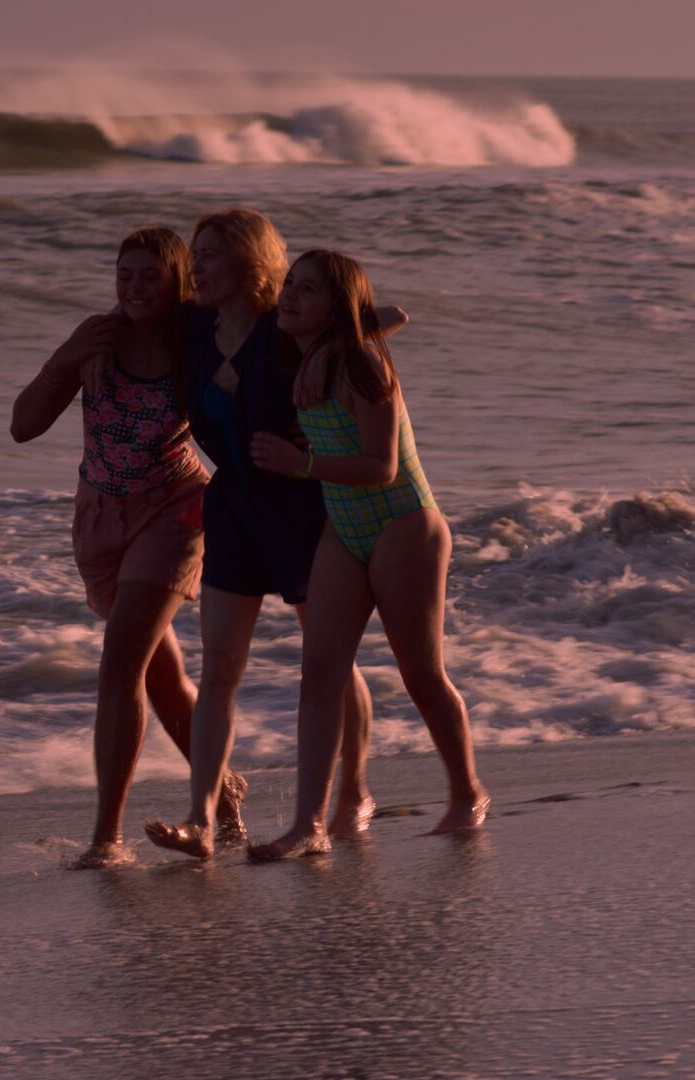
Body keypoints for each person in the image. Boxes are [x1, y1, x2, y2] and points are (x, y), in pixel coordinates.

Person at [144, 210, 409, 860]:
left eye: (211, 255)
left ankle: (354, 790)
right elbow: (130, 323)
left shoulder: (284, 330)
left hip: (303, 512)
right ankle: (202, 820)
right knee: (219, 669)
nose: (197, 268)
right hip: (232, 511)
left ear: (251, 264)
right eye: (196, 255)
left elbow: (384, 317)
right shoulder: (194, 326)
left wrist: (343, 342)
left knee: (329, 661)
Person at [10, 226, 246, 869]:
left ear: (177, 282)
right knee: (160, 676)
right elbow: (23, 426)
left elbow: (265, 368)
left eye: (149, 277)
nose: (134, 288)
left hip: (174, 513)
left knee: (120, 665)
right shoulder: (98, 338)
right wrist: (66, 356)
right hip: (99, 519)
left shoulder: (196, 339)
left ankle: (106, 839)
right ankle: (223, 791)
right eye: (124, 276)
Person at [246, 250, 489, 861]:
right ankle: (309, 825)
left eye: (307, 289)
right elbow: (389, 313)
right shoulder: (306, 352)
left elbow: (381, 466)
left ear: (337, 309)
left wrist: (302, 462)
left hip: (404, 523)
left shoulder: (363, 365)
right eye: (289, 284)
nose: (289, 296)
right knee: (320, 671)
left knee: (421, 675)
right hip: (345, 528)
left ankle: (467, 794)